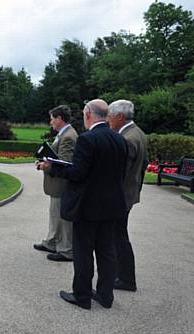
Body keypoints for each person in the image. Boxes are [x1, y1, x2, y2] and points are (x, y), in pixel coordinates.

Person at [38, 99, 128, 309]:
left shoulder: (88, 139)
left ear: (88, 114)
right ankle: (106, 296)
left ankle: (82, 295)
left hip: (88, 206)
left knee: (83, 252)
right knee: (107, 252)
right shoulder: (119, 139)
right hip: (112, 205)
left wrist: (53, 167)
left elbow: (77, 174)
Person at [107, 100, 148, 292]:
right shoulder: (138, 133)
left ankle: (125, 278)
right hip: (127, 193)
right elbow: (143, 166)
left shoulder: (128, 138)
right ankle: (122, 275)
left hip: (120, 196)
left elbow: (120, 172)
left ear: (120, 117)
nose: (108, 119)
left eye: (110, 115)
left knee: (119, 237)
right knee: (119, 236)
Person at [34, 105, 78, 262]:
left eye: (52, 119)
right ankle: (52, 242)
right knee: (55, 214)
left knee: (62, 217)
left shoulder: (68, 136)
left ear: (59, 119)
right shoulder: (64, 133)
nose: (50, 122)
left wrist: (46, 165)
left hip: (61, 184)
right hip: (57, 184)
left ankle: (66, 249)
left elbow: (65, 163)